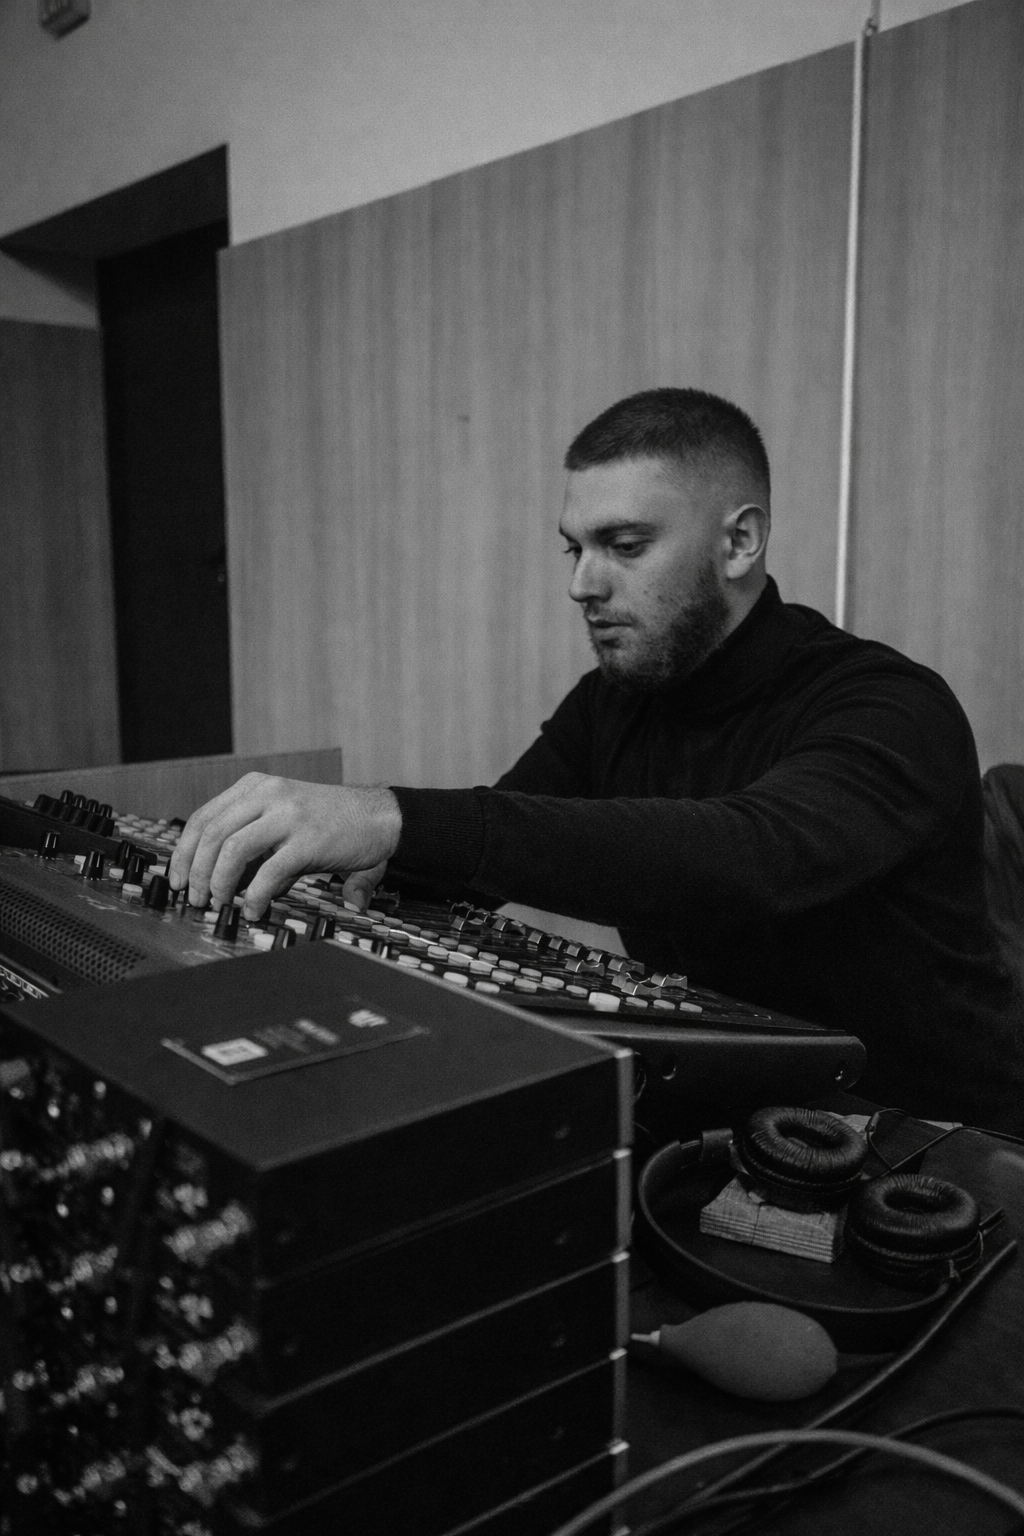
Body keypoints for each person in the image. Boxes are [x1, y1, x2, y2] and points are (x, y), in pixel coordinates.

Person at [169, 388, 1024, 1132]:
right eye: (574, 548)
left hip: (940, 1157)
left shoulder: (892, 706)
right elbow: (476, 859)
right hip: (731, 1121)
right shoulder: (613, 703)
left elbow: (750, 856)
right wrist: (287, 864)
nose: (582, 583)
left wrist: (393, 813)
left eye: (623, 544)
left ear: (739, 543)